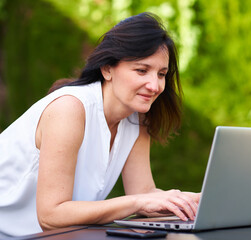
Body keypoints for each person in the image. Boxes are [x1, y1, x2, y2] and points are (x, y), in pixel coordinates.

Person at [0, 12, 200, 237]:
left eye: (161, 74)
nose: (154, 86)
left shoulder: (137, 117)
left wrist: (191, 202)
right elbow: (51, 216)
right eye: (141, 70)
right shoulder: (69, 109)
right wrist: (137, 202)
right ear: (107, 69)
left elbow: (144, 192)